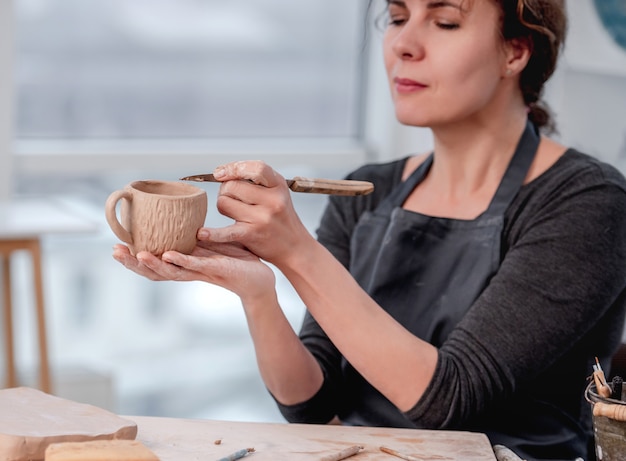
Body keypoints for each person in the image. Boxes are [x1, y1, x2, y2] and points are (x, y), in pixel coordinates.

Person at [112, 0, 626, 459]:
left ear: (516, 52)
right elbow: (313, 403)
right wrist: (258, 292)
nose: (403, 44)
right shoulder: (364, 191)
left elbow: (449, 397)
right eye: (398, 17)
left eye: (444, 21)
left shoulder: (587, 201)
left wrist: (296, 252)